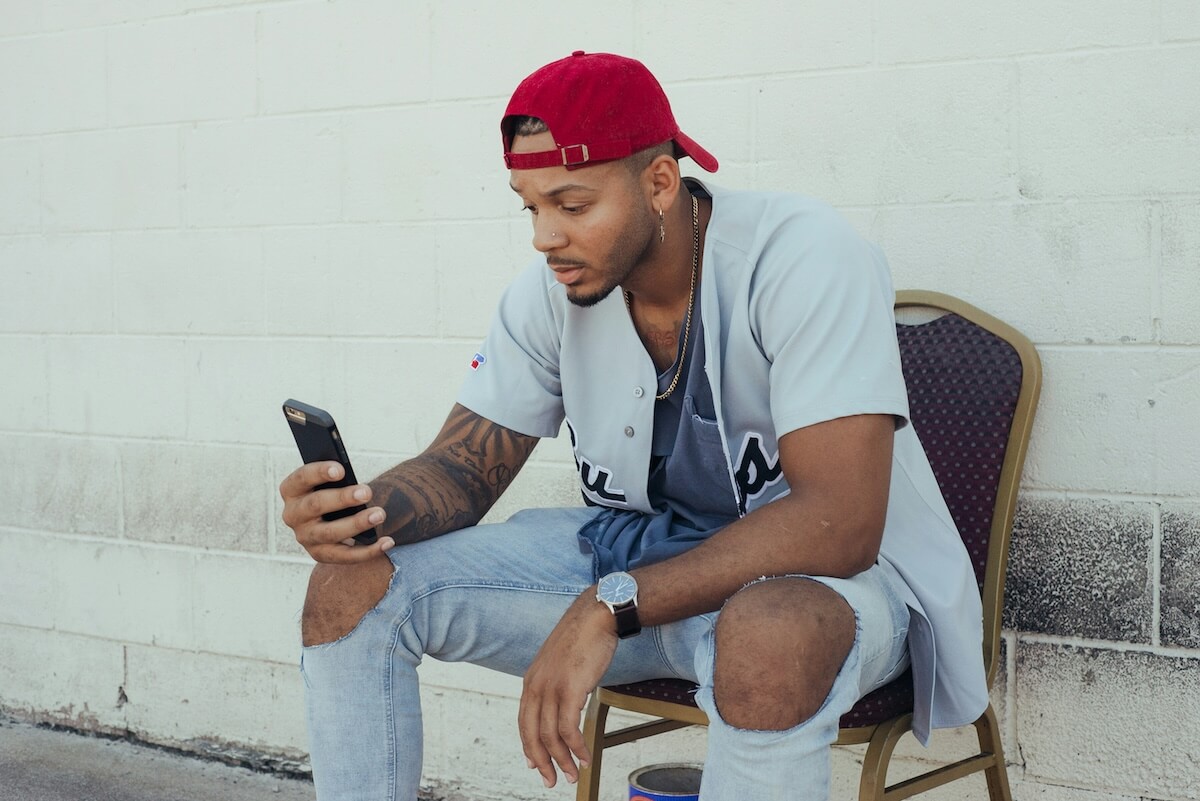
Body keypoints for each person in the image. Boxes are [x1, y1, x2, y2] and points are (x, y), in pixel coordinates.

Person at [280, 51, 988, 801]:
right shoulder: (551, 290)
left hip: (818, 591)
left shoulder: (804, 256)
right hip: (633, 568)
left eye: (572, 204)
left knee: (769, 634)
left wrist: (611, 602)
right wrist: (357, 510)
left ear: (658, 182)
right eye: (531, 206)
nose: (544, 236)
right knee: (351, 586)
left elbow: (841, 523)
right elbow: (461, 468)